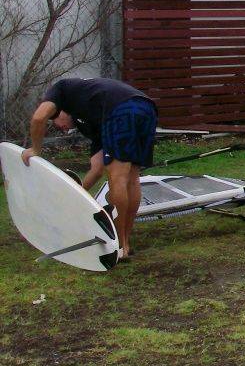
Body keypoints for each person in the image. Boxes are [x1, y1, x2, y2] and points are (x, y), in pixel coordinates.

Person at [21, 77, 158, 260]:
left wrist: (35, 150)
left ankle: (118, 246)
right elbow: (96, 170)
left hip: (119, 109)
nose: (60, 127)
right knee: (131, 177)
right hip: (146, 108)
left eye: (56, 120)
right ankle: (124, 243)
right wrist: (74, 194)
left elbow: (38, 118)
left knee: (118, 177)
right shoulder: (92, 119)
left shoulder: (61, 89)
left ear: (60, 109)